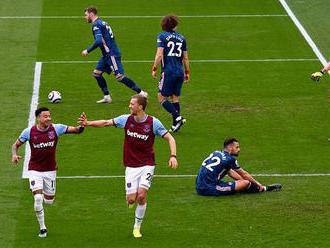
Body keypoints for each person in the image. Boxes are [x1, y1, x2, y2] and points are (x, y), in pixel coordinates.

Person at [79, 94, 178, 238]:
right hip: (131, 165)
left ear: (140, 107)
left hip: (147, 164)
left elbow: (170, 138)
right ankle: (131, 200)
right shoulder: (126, 120)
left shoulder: (153, 123)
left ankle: (136, 227)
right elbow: (106, 122)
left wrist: (173, 156)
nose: (129, 106)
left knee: (142, 196)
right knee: (131, 199)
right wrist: (88, 123)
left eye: (132, 104)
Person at [11, 107, 85, 238]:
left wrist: (82, 125)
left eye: (49, 116)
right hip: (34, 169)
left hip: (50, 170)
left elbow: (77, 131)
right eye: (45, 116)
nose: (48, 118)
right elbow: (15, 145)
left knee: (49, 201)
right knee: (38, 198)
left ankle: (41, 193)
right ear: (38, 118)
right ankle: (43, 228)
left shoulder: (56, 128)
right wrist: (14, 155)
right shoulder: (29, 132)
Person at [81, 6, 148, 103]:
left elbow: (99, 41)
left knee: (120, 77)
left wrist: (87, 50)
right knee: (97, 74)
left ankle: (142, 93)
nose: (85, 17)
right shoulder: (103, 22)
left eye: (86, 15)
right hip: (106, 55)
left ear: (91, 14)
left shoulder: (96, 25)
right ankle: (107, 96)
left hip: (111, 54)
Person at [196, 138, 282, 196]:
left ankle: (245, 187)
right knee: (246, 183)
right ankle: (264, 189)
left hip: (200, 184)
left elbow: (229, 172)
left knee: (243, 182)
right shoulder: (229, 159)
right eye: (237, 147)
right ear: (230, 147)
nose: (239, 149)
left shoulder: (216, 152)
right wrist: (257, 184)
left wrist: (241, 180)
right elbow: (244, 174)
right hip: (208, 188)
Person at [152, 14, 190, 132]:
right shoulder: (182, 38)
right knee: (175, 97)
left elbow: (159, 55)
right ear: (174, 25)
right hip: (180, 71)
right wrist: (187, 72)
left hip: (168, 72)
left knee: (161, 96)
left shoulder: (162, 36)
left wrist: (154, 68)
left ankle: (177, 117)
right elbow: (185, 58)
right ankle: (175, 125)